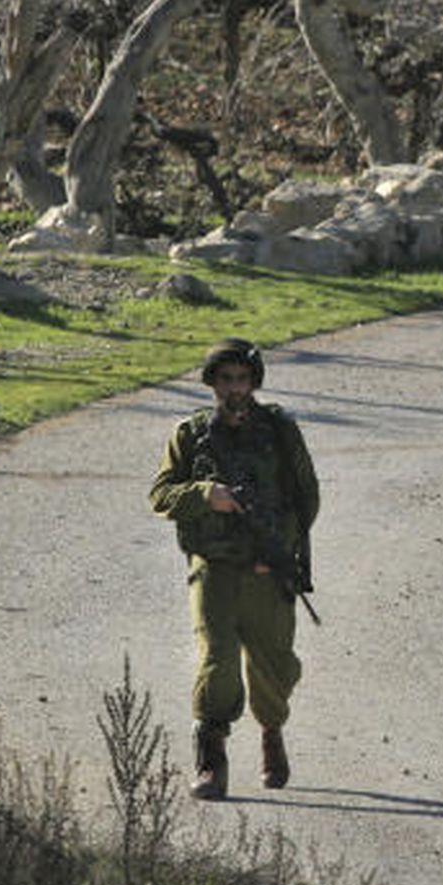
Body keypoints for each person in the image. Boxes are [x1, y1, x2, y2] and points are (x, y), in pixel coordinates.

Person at [149, 338, 320, 800]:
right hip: (215, 568)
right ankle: (211, 757)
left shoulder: (280, 432)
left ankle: (272, 732)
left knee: (275, 668)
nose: (234, 388)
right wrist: (205, 494)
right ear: (212, 383)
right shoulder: (190, 435)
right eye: (225, 379)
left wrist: (282, 552)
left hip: (268, 569)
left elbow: (306, 500)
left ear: (254, 383)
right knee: (217, 660)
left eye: (242, 379)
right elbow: (160, 496)